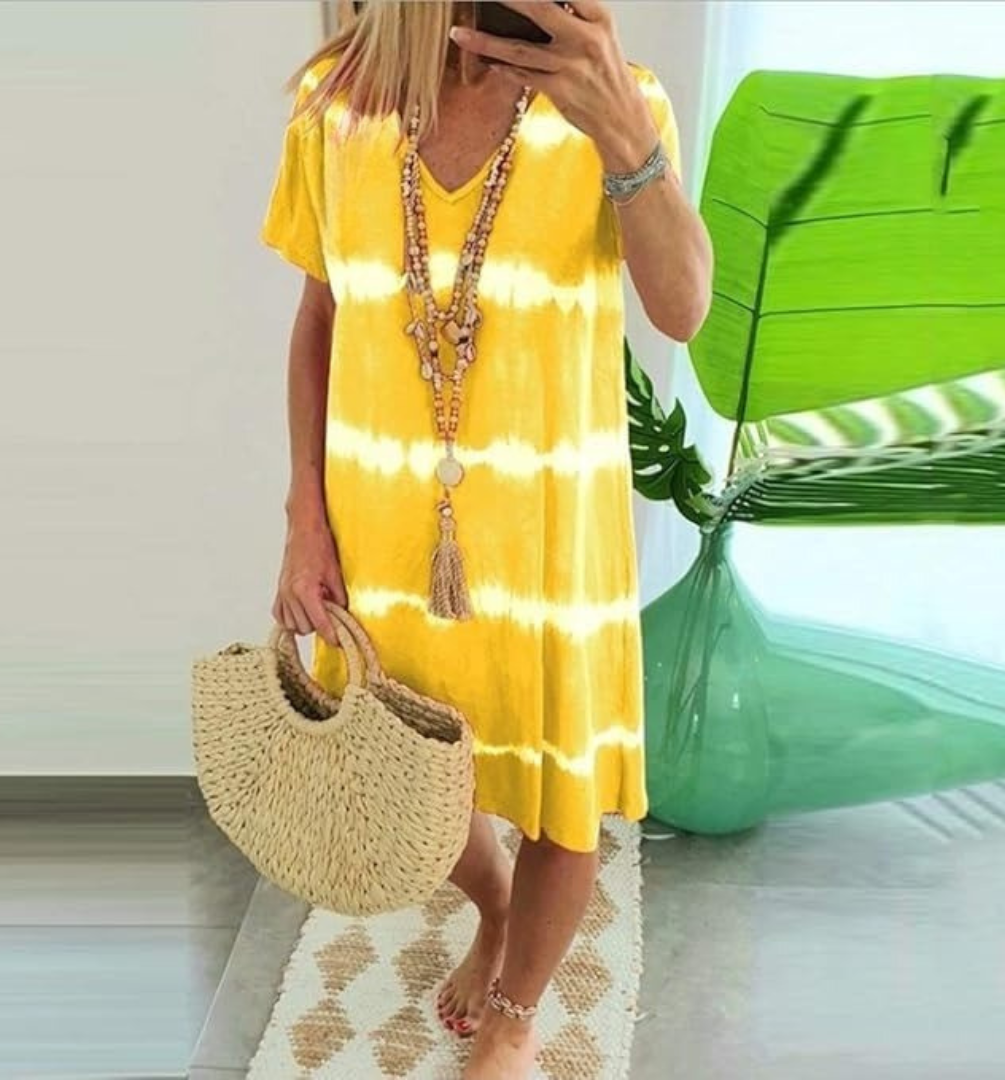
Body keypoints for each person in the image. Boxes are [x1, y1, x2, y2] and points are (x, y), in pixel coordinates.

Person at [260, 2, 712, 1076]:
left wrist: (624, 133)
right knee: (404, 779)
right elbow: (322, 315)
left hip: (553, 541)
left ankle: (514, 1015)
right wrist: (304, 516)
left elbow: (684, 308)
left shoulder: (617, 102)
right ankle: (497, 904)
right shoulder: (337, 105)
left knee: (562, 800)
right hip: (381, 535)